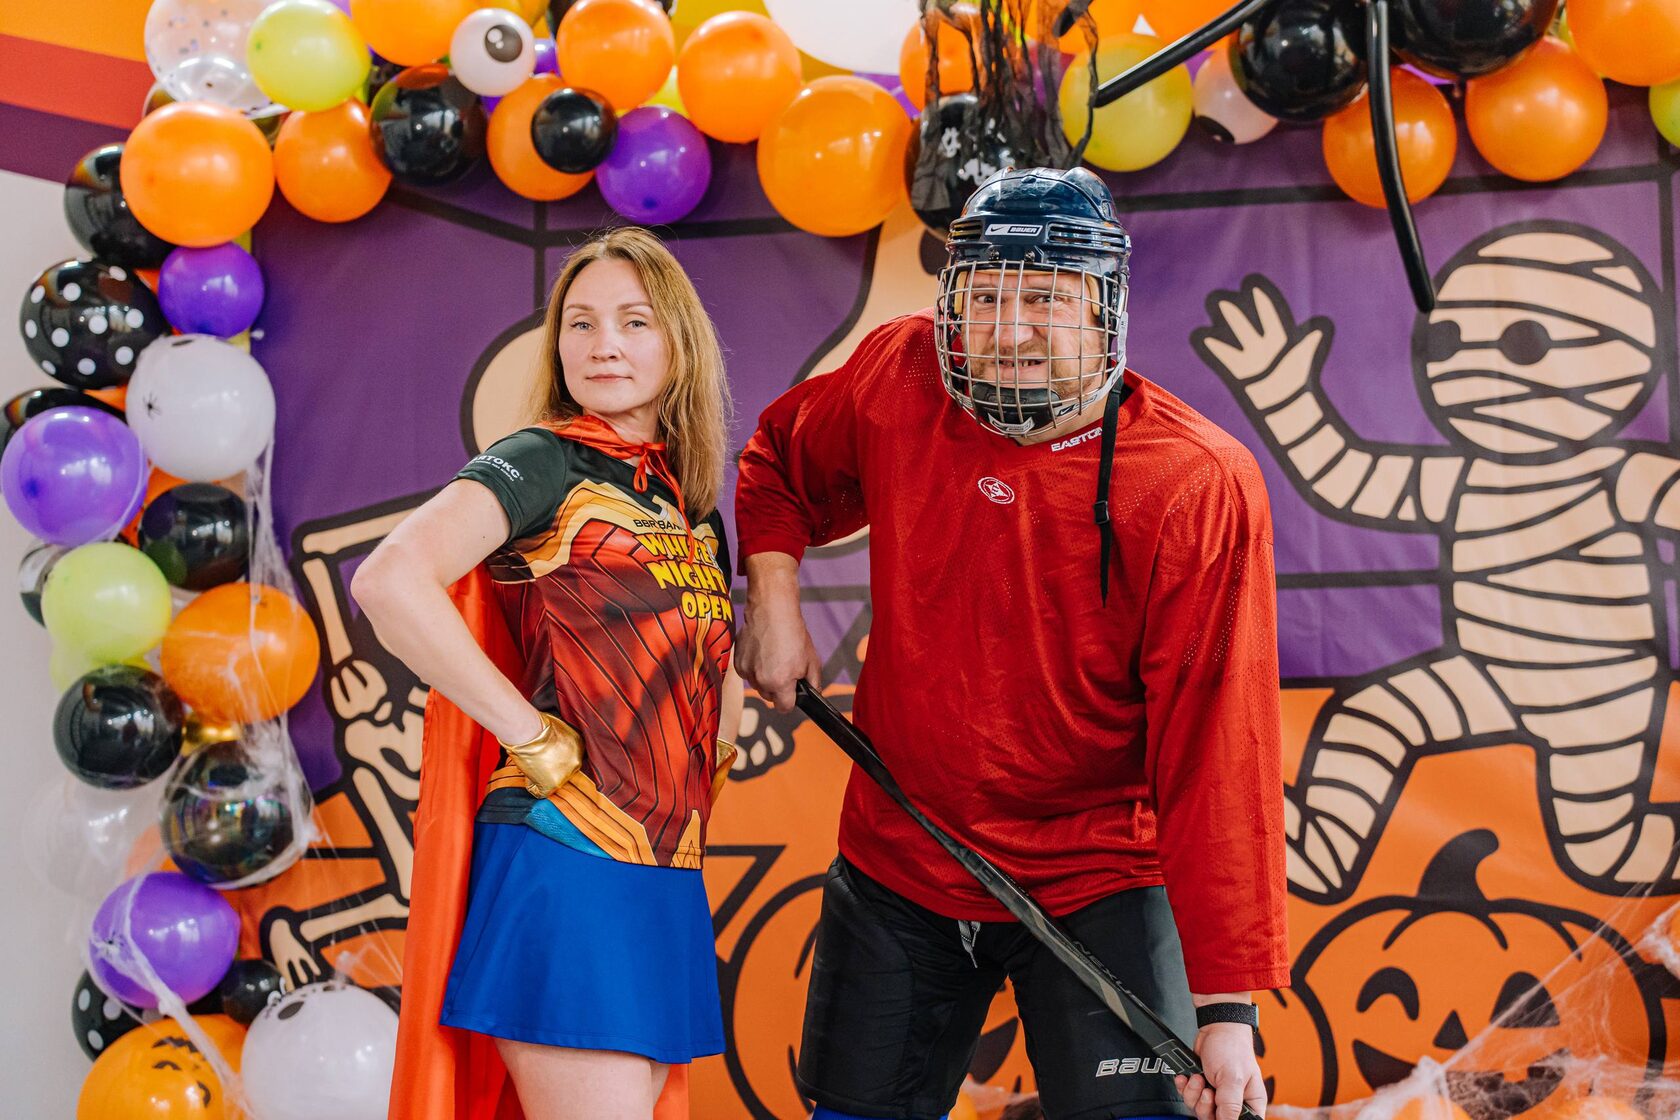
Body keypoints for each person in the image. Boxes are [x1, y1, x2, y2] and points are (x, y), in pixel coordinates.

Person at [733, 167, 1288, 1120]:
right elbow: (781, 459)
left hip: (1100, 872)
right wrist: (774, 597)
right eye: (986, 297)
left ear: (1106, 309)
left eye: (1046, 299)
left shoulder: (1195, 481)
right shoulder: (901, 372)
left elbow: (1217, 752)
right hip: (904, 852)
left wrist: (1226, 1009)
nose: (1011, 329)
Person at [356, 227, 742, 1120]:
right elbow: (388, 580)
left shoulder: (687, 505)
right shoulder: (543, 460)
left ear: (679, 342)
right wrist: (526, 734)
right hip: (567, 853)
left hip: (663, 871)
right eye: (581, 322)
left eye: (634, 321)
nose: (604, 344)